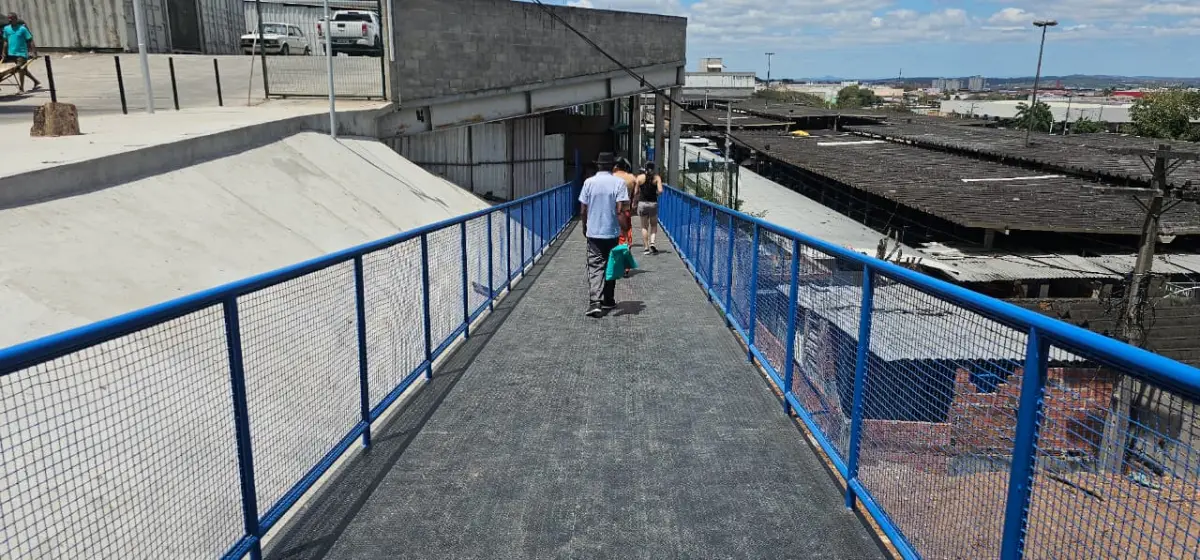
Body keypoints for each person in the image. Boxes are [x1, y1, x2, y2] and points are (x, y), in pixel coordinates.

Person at [579, 152, 630, 317]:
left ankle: (595, 302)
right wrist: (625, 229)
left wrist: (584, 226)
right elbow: (621, 210)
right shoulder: (619, 183)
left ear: (598, 165)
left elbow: (583, 209)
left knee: (595, 266)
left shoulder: (588, 182)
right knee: (611, 265)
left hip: (594, 232)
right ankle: (608, 300)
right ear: (613, 166)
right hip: (612, 232)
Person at [2, 13, 41, 93]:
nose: (9, 20)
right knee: (24, 70)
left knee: (20, 69)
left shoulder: (22, 29)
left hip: (22, 53)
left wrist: (34, 52)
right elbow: (5, 41)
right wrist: (3, 52)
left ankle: (21, 88)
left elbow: (30, 40)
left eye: (11, 18)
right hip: (11, 53)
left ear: (16, 19)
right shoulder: (6, 29)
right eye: (8, 18)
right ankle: (36, 81)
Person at [635, 161, 663, 255]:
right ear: (653, 168)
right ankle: (652, 243)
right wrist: (655, 194)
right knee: (654, 225)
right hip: (653, 203)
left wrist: (635, 202)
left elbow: (636, 192)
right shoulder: (657, 178)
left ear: (645, 168)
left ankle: (646, 248)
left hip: (642, 203)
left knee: (644, 226)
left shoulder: (639, 178)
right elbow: (660, 191)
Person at [612, 156, 638, 248]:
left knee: (616, 228)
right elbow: (636, 192)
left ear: (616, 166)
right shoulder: (632, 177)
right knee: (627, 226)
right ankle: (628, 242)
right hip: (627, 208)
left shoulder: (612, 177)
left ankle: (620, 244)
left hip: (614, 209)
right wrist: (634, 204)